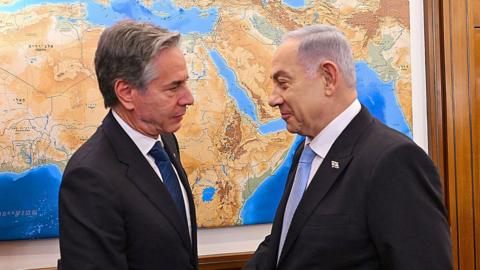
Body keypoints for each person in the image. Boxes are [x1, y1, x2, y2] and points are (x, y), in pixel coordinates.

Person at [244, 25, 452, 270]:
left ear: (328, 78)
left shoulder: (393, 161)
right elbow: (284, 242)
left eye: (283, 83)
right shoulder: (306, 153)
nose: (272, 98)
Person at [59, 20, 197, 270]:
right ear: (126, 92)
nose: (189, 98)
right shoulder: (90, 177)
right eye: (173, 87)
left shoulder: (165, 141)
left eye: (185, 83)